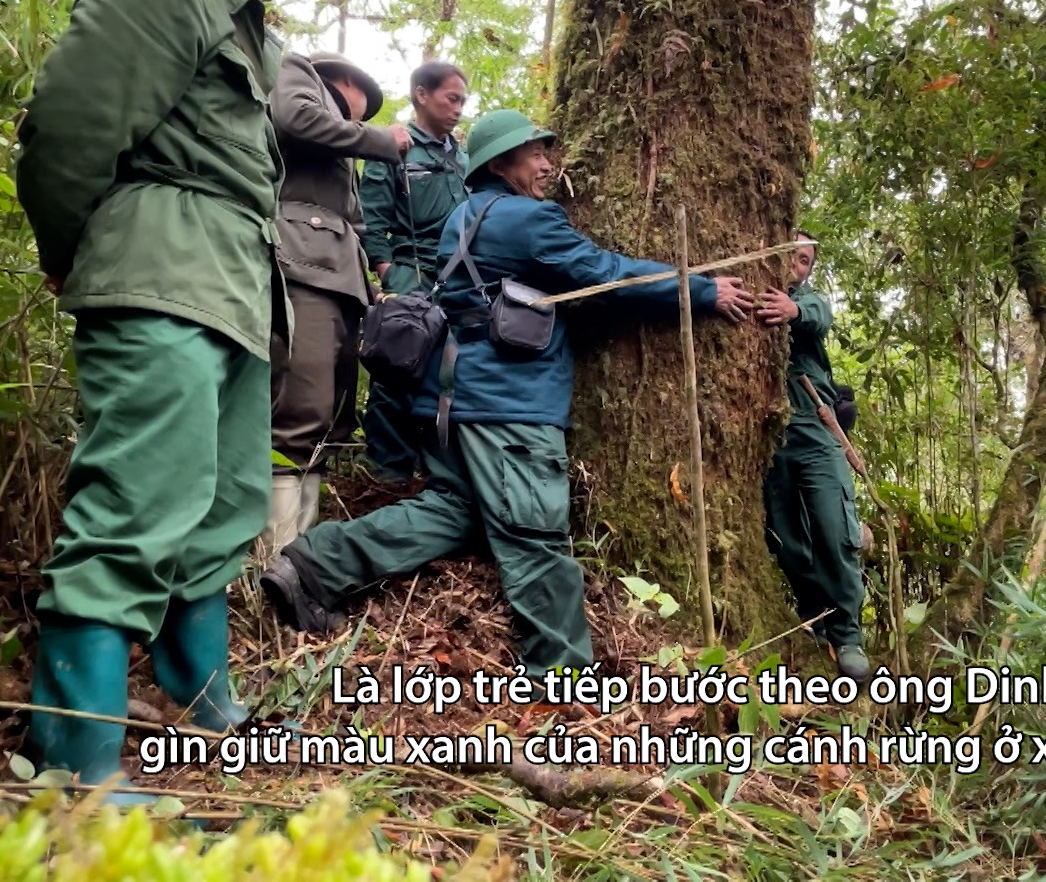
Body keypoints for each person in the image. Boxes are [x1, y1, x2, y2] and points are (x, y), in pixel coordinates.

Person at [12, 0, 336, 801]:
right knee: (138, 503)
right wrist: (73, 252)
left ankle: (206, 707)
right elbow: (71, 130)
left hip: (235, 290)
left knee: (226, 501)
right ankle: (77, 764)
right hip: (159, 270)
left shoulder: (255, 37)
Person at [260, 109, 755, 674]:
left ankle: (314, 567)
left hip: (451, 400)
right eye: (535, 154)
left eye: (548, 152)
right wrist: (699, 290)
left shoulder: (462, 216)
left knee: (455, 511)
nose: (548, 165)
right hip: (509, 408)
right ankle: (563, 676)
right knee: (534, 535)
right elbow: (606, 274)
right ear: (500, 162)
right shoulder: (529, 220)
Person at [263, 51, 400, 559]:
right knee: (300, 408)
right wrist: (384, 142)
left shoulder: (339, 152)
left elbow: (355, 225)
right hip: (301, 265)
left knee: (328, 417)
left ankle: (300, 559)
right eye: (367, 104)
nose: (367, 117)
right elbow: (294, 117)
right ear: (346, 80)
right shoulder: (299, 75)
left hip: (339, 279)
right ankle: (273, 560)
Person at [757, 231, 869, 682]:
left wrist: (794, 309)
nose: (795, 266)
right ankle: (816, 618)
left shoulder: (807, 301)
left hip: (816, 430)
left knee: (832, 526)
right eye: (791, 256)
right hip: (770, 437)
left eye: (804, 261)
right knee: (785, 535)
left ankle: (848, 634)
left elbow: (820, 315)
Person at [357, 62, 472, 482]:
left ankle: (435, 469)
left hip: (461, 279)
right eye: (451, 98)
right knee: (395, 368)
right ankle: (388, 473)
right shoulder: (395, 146)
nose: (459, 108)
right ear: (422, 94)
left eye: (463, 100)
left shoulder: (463, 156)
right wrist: (389, 272)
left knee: (449, 371)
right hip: (411, 274)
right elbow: (370, 218)